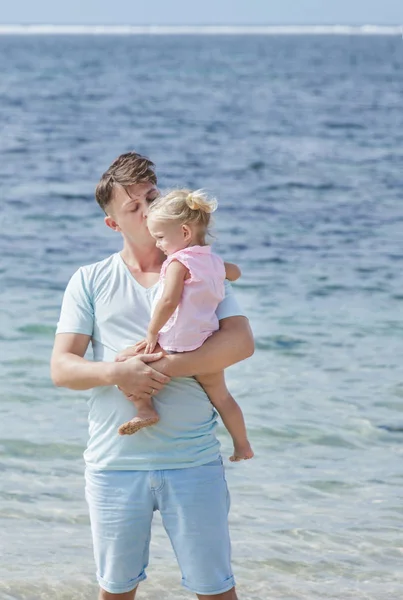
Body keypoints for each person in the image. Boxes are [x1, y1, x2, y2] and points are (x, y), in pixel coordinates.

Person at [50, 151, 254, 600]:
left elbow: (241, 343)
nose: (147, 210)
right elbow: (63, 368)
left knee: (217, 591)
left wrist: (158, 368)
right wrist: (118, 372)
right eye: (134, 206)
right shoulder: (89, 279)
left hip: (194, 462)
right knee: (116, 592)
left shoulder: (199, 267)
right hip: (114, 465)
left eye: (152, 197)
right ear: (113, 224)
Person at [117, 188, 254, 463]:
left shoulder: (178, 263)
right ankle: (243, 446)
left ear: (184, 232)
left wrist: (152, 332)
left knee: (123, 364)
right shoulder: (214, 262)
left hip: (176, 343)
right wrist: (223, 270)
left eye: (160, 237)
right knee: (223, 398)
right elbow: (236, 272)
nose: (158, 244)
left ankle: (145, 409)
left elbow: (168, 301)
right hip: (206, 344)